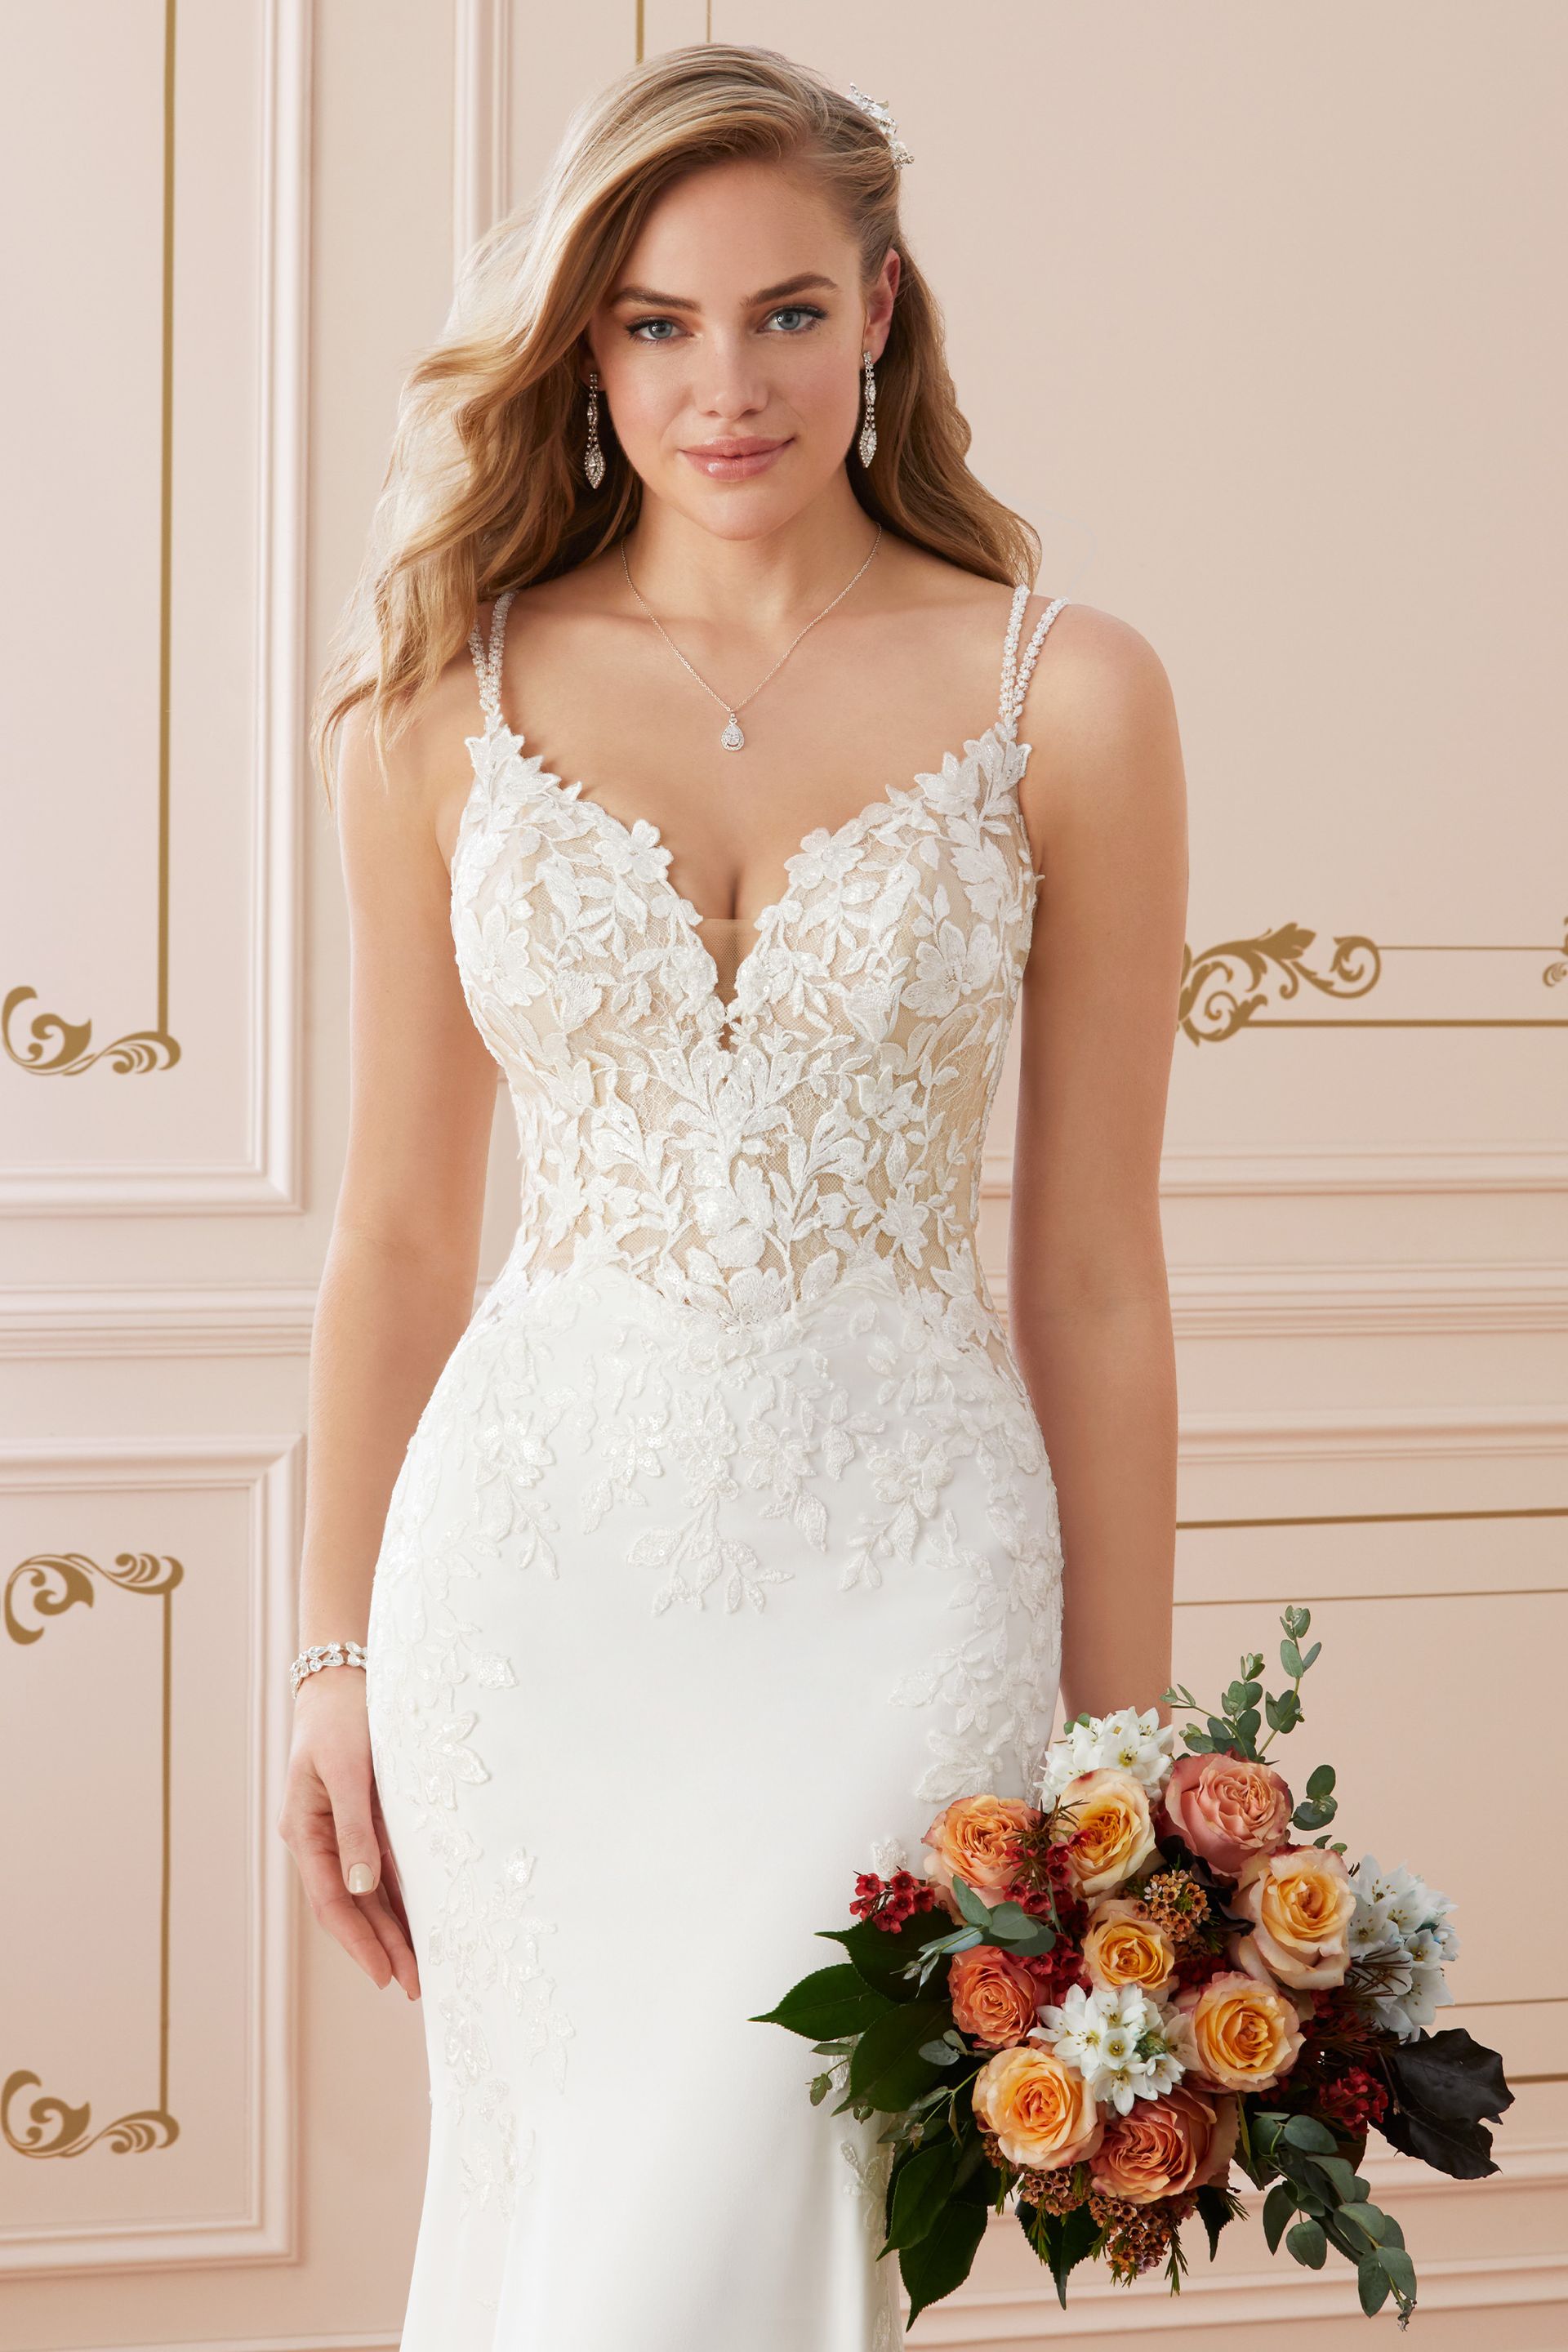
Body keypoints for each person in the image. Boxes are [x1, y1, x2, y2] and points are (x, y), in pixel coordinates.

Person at [281, 41, 1186, 2351]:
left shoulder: (1062, 694)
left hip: (901, 1583)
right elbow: (396, 1228)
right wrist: (330, 1656)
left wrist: (1117, 1759)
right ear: (588, 343)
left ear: (883, 308)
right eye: (658, 324)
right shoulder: (438, 704)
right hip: (531, 1588)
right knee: (574, 2215)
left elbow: (1088, 1270)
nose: (727, 385)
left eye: (785, 311)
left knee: (751, 2227)